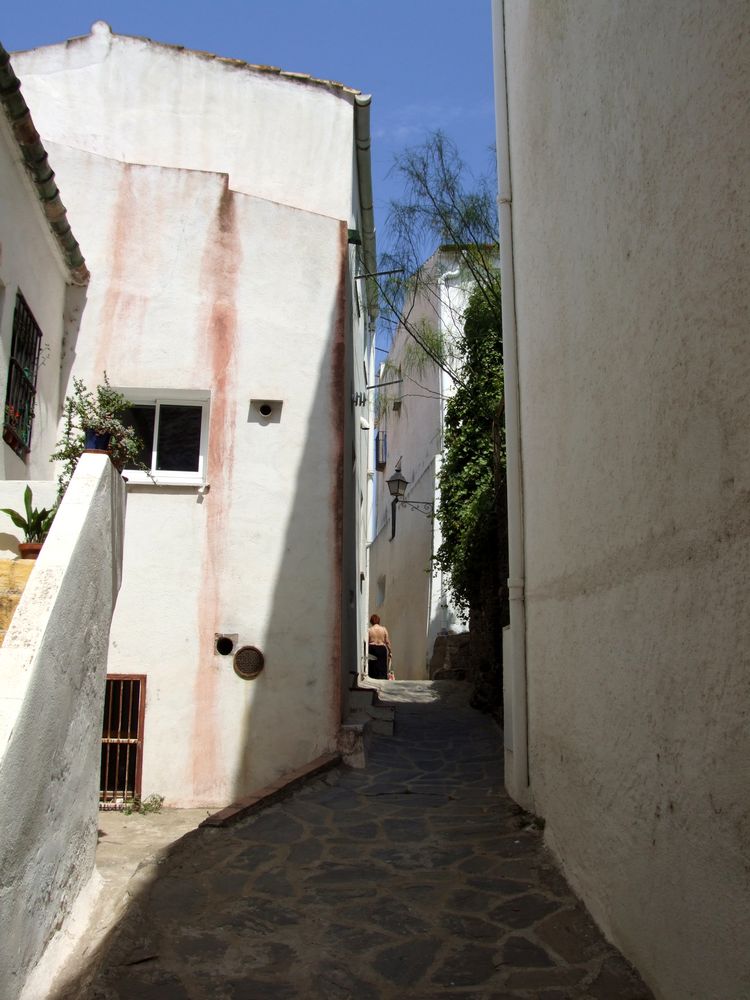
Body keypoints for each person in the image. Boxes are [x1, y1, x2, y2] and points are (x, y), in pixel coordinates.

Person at [367, 614, 391, 680]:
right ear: (379, 621)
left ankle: (373, 679)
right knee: (382, 666)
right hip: (382, 649)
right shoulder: (384, 629)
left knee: (373, 666)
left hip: (372, 649)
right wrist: (390, 651)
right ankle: (382, 679)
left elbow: (367, 641)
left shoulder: (369, 630)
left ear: (371, 621)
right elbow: (387, 642)